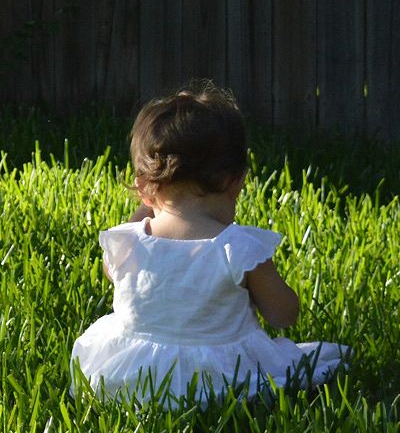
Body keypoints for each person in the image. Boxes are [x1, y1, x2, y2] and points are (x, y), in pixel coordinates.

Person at [71, 85, 348, 408]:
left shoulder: (127, 243)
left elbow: (115, 276)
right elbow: (284, 315)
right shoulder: (236, 248)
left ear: (144, 189)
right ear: (236, 182)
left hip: (133, 379)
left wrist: (140, 217)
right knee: (318, 362)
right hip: (219, 383)